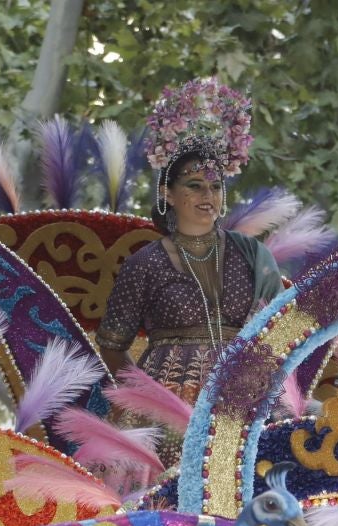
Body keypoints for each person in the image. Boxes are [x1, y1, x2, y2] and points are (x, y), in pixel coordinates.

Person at [97, 78, 283, 468]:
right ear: (167, 193)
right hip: (162, 408)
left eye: (215, 186)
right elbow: (112, 344)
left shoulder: (253, 255)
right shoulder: (145, 263)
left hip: (239, 397)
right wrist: (143, 396)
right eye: (195, 185)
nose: (207, 196)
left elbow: (276, 330)